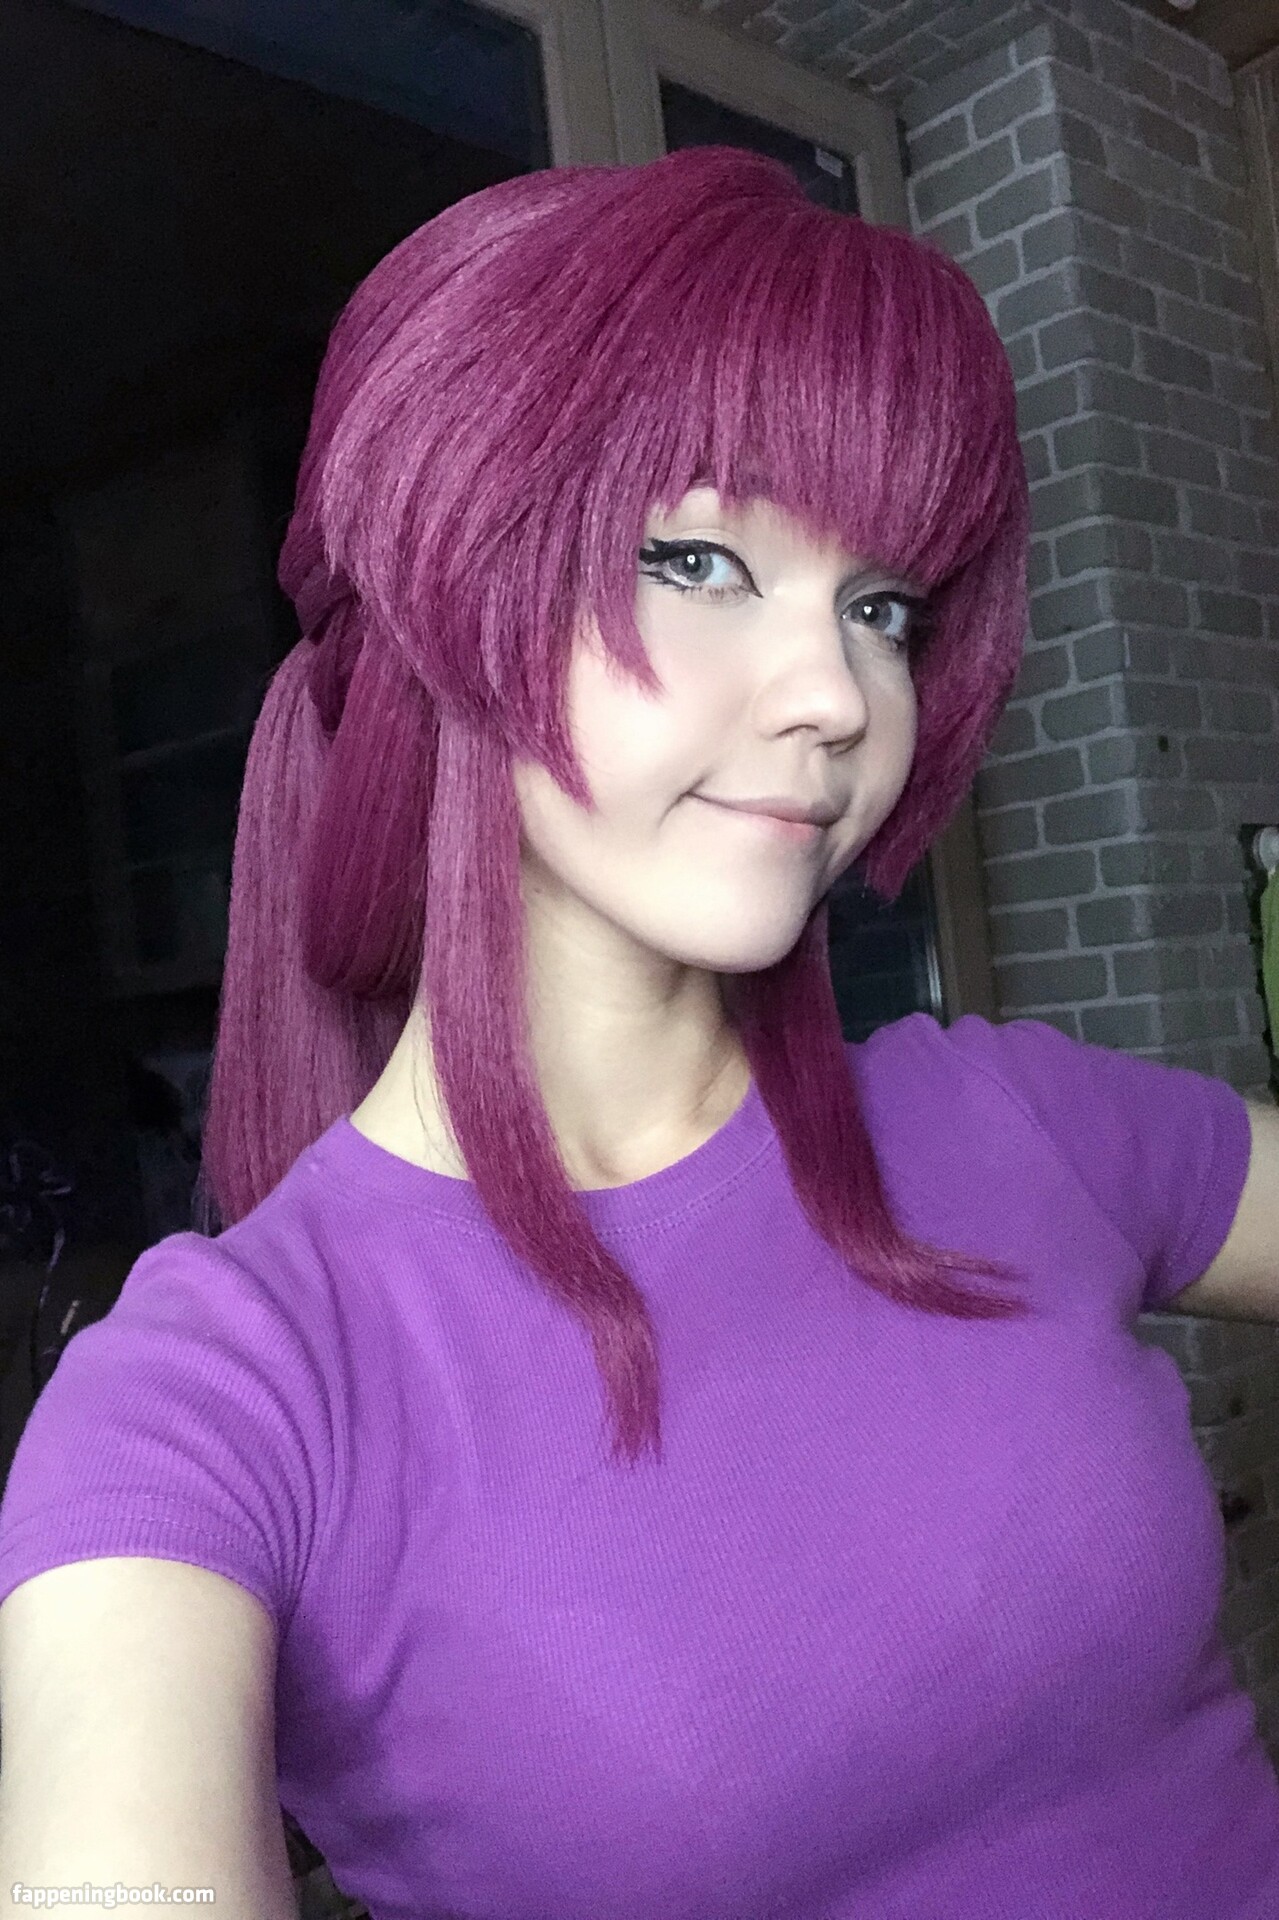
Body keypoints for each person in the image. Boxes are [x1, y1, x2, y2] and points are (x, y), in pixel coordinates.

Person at [0, 143, 1275, 1920]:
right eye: (698, 558)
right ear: (448, 593)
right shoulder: (226, 1397)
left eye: (883, 607)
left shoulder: (1016, 1121)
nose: (841, 695)